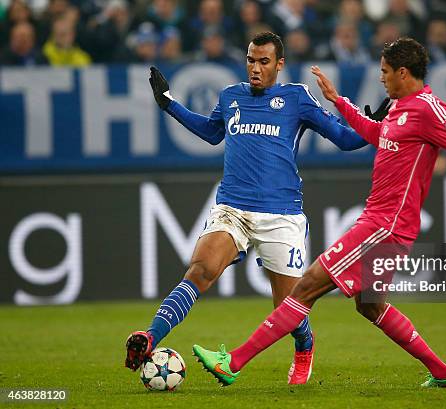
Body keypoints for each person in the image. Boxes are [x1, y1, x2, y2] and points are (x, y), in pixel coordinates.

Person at [193, 37, 446, 388]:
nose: (381, 77)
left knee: (305, 288)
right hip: (385, 226)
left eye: (385, 71)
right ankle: (443, 372)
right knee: (371, 307)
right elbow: (374, 133)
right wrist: (339, 102)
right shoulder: (401, 109)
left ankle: (233, 362)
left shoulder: (430, 111)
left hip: (384, 227)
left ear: (403, 72)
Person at [124, 31, 379, 385]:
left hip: (281, 216)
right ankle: (150, 337)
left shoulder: (297, 98)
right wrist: (169, 104)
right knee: (200, 270)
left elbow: (345, 139)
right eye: (250, 60)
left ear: (279, 64)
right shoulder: (231, 96)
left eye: (263, 62)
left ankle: (304, 346)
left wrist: (373, 127)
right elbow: (213, 133)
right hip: (233, 208)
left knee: (287, 310)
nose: (255, 68)